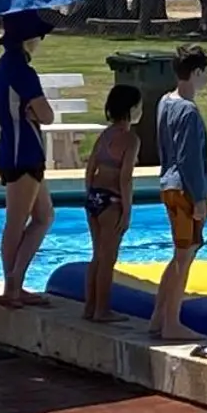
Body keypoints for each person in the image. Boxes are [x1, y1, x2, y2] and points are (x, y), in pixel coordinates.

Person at [0, 10, 56, 308]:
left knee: (43, 216)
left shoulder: (2, 67)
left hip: (14, 147)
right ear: (29, 38)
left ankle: (16, 281)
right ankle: (11, 286)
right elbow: (47, 115)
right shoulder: (22, 71)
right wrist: (35, 112)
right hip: (23, 152)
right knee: (17, 221)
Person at [150, 44, 207, 340]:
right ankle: (171, 323)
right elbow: (189, 159)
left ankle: (158, 317)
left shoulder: (165, 101)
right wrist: (199, 198)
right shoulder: (188, 111)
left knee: (179, 254)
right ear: (197, 72)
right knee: (184, 257)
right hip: (184, 189)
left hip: (168, 185)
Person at [79, 84, 143, 325]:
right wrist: (127, 210)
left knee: (97, 255)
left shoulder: (105, 134)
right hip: (112, 201)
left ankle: (89, 306)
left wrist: (90, 194)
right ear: (131, 109)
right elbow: (125, 178)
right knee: (109, 258)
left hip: (95, 197)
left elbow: (90, 168)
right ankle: (102, 310)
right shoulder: (130, 139)